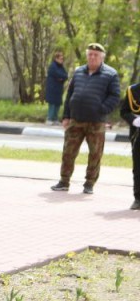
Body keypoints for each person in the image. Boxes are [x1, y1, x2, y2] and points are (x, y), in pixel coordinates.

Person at [51, 43, 120, 195]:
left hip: (96, 122)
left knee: (95, 154)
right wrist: (66, 116)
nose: (92, 57)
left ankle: (89, 183)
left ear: (102, 57)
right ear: (87, 56)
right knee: (68, 152)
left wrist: (101, 109)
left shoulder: (110, 74)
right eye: (90, 54)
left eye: (96, 55)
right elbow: (70, 94)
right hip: (76, 119)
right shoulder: (78, 71)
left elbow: (115, 96)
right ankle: (64, 181)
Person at [120, 81, 140, 210]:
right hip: (138, 134)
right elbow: (124, 111)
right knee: (138, 166)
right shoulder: (132, 90)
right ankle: (138, 198)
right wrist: (133, 120)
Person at [45, 50, 68, 124]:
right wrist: (60, 78)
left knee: (57, 104)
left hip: (58, 88)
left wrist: (61, 78)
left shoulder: (61, 67)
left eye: (62, 59)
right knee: (52, 104)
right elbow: (58, 75)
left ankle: (55, 118)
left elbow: (65, 75)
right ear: (56, 58)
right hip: (52, 88)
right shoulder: (53, 66)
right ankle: (49, 118)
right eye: (60, 59)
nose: (62, 60)